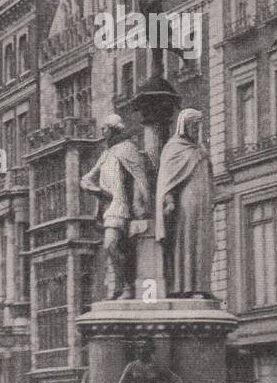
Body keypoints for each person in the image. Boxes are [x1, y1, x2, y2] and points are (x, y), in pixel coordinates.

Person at [80, 114, 152, 299]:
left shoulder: (127, 148)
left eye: (105, 128)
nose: (102, 132)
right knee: (112, 246)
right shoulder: (107, 153)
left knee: (113, 245)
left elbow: (139, 177)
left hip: (124, 205)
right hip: (109, 207)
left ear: (113, 129)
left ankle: (126, 286)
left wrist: (142, 204)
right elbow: (88, 177)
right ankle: (122, 286)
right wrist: (95, 190)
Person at [155, 108, 214, 297]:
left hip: (204, 203)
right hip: (186, 203)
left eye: (198, 126)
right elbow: (166, 179)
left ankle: (202, 286)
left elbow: (209, 176)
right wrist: (169, 200)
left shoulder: (201, 149)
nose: (197, 130)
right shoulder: (173, 148)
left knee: (204, 243)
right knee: (187, 243)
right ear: (184, 126)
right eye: (193, 126)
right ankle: (184, 287)